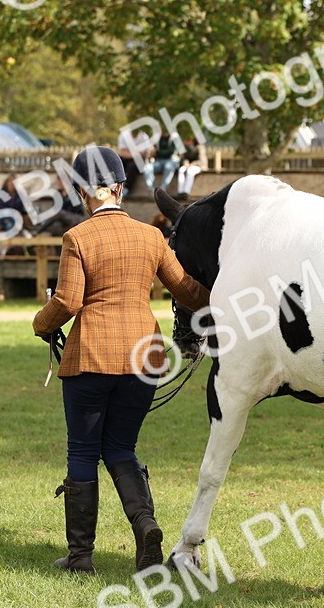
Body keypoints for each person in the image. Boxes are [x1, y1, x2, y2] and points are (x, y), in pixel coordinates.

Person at [33, 145, 210, 574]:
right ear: (117, 187)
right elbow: (187, 290)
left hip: (91, 356)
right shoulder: (151, 237)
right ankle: (145, 525)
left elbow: (70, 302)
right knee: (120, 446)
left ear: (81, 191)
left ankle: (80, 557)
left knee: (83, 449)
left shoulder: (77, 238)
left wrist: (41, 322)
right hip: (144, 358)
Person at [116, 129, 152, 194]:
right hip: (128, 159)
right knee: (117, 161)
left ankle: (126, 190)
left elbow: (147, 153)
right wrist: (136, 154)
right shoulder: (123, 135)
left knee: (132, 166)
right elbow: (123, 152)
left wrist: (132, 154)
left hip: (140, 162)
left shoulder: (144, 136)